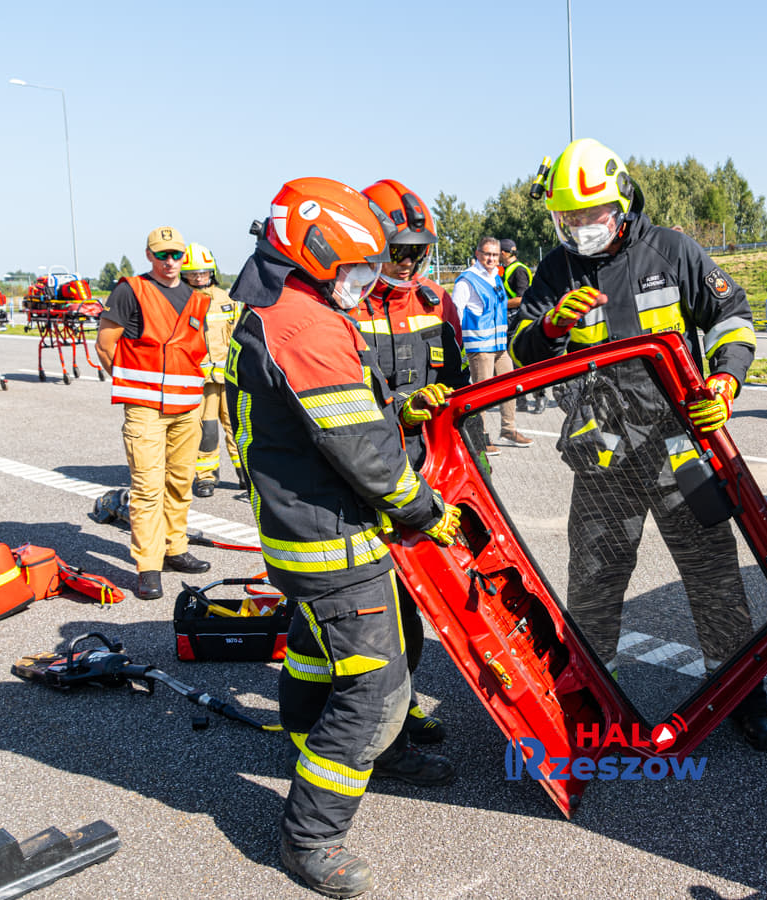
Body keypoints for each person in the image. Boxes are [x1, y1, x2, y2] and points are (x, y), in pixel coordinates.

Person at [227, 177, 461, 898]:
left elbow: (329, 416)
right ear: (318, 251)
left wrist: (397, 408)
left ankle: (316, 746)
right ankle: (311, 836)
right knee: (375, 691)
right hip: (335, 541)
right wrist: (423, 510)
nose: (365, 281)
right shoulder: (308, 326)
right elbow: (361, 451)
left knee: (312, 649)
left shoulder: (275, 307)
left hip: (299, 534)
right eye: (357, 268)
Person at [511, 137, 767, 751]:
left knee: (713, 576)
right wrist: (550, 327)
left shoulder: (673, 251)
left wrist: (725, 379)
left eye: (590, 213)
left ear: (622, 203)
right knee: (595, 581)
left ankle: (743, 697)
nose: (580, 226)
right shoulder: (557, 270)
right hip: (603, 452)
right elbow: (522, 348)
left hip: (679, 446)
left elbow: (732, 316)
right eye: (568, 217)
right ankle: (589, 702)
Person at [356, 177, 469, 747]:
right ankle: (369, 717)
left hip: (425, 477)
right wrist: (401, 408)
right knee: (372, 610)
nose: (408, 263)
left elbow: (461, 388)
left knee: (416, 601)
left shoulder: (435, 302)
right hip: (362, 480)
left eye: (418, 252)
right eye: (398, 251)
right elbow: (338, 405)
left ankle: (404, 703)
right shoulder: (345, 306)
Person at [95, 227, 213, 601]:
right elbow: (105, 345)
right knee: (148, 489)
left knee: (180, 482)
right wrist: (135, 388)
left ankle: (175, 548)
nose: (169, 261)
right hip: (146, 409)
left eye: (176, 254)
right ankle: (149, 565)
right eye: (162, 254)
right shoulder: (131, 291)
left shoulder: (196, 298)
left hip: (187, 408)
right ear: (149, 255)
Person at [453, 236, 530, 452]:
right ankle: (479, 438)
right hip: (480, 347)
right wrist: (459, 343)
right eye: (487, 254)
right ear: (478, 254)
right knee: (482, 395)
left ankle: (508, 429)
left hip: (499, 345)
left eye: (495, 255)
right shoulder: (467, 280)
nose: (491, 258)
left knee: (510, 386)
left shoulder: (496, 276)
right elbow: (456, 311)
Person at [182, 243, 242, 499]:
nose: (198, 277)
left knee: (237, 427)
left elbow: (237, 335)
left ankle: (245, 474)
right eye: (193, 273)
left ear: (211, 272)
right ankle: (206, 477)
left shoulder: (225, 299)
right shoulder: (180, 300)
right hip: (201, 380)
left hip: (229, 378)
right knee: (206, 431)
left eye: (203, 272)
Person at [499, 238, 542, 412]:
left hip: (521, 318)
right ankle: (521, 400)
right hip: (510, 319)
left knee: (527, 360)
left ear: (503, 253)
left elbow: (522, 298)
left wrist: (499, 305)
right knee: (512, 361)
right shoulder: (507, 269)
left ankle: (540, 397)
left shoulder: (518, 270)